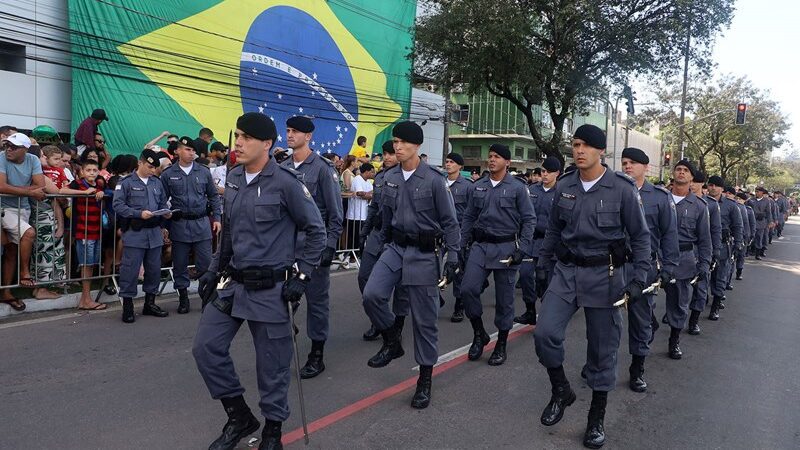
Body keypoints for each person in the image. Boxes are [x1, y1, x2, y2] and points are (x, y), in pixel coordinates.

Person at [192, 112, 325, 449]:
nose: (238, 142)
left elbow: (316, 231)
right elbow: (230, 233)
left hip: (271, 289)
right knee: (206, 348)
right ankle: (239, 416)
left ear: (266, 144)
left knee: (272, 367)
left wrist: (304, 275)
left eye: (246, 137)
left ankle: (272, 431)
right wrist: (211, 269)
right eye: (238, 135)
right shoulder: (235, 178)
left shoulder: (286, 182)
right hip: (233, 284)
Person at [533, 124, 650, 449]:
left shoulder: (623, 189)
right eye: (575, 144)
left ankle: (596, 417)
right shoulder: (566, 185)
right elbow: (555, 230)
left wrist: (640, 277)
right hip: (568, 271)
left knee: (602, 349)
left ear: (600, 151)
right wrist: (543, 265)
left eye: (585, 145)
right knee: (545, 334)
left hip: (606, 275)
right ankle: (561, 390)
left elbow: (640, 237)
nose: (579, 150)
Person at [362, 121, 460, 409]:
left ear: (417, 146)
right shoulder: (390, 176)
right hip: (394, 247)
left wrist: (453, 257)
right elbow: (383, 213)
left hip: (423, 253)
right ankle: (393, 339)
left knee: (424, 321)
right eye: (395, 141)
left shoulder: (433, 179)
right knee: (372, 294)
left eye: (403, 142)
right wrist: (370, 235)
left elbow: (450, 222)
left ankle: (425, 380)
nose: (398, 146)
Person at [459, 144, 536, 366]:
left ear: (507, 162)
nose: (492, 160)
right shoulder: (479, 186)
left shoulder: (518, 188)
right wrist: (461, 244)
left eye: (497, 157)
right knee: (467, 289)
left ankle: (501, 343)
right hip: (480, 246)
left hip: (506, 249)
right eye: (490, 156)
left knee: (504, 300)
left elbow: (529, 219)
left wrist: (523, 248)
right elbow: (468, 217)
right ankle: (479, 334)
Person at [281, 116, 343, 379]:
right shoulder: (281, 167)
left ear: (308, 137)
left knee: (317, 304)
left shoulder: (322, 168)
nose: (290, 135)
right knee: (279, 302)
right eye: (288, 130)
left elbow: (335, 212)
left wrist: (330, 246)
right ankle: (283, 342)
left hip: (312, 247)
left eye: (295, 131)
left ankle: (316, 354)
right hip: (285, 248)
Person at [618, 148, 679, 391]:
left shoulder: (660, 198)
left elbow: (669, 235)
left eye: (633, 163)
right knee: (604, 318)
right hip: (614, 264)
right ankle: (598, 362)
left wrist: (668, 267)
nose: (627, 167)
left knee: (640, 319)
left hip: (643, 266)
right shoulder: (614, 192)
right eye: (624, 163)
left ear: (646, 167)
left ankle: (637, 367)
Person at [161, 136, 221, 314]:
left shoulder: (203, 172)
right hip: (179, 224)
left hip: (201, 223)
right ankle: (183, 298)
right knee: (180, 264)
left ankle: (207, 297)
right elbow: (161, 200)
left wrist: (217, 217)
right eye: (187, 150)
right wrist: (164, 222)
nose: (191, 152)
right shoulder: (168, 174)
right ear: (178, 151)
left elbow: (213, 196)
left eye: (193, 150)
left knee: (206, 263)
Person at [113, 149, 172, 323]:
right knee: (130, 270)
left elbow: (162, 203)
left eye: (155, 168)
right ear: (140, 163)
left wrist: (166, 213)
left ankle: (150, 303)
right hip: (135, 231)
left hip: (154, 232)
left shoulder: (156, 182)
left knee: (153, 270)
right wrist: (138, 214)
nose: (153, 170)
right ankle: (128, 306)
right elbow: (117, 205)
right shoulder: (126, 182)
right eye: (149, 166)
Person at [358, 141, 408, 341]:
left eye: (390, 154)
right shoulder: (379, 177)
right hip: (377, 234)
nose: (387, 157)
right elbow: (373, 207)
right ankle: (379, 318)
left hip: (396, 237)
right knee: (364, 276)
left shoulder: (406, 177)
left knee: (401, 285)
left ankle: (397, 323)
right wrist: (364, 231)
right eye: (385, 153)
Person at [665, 160, 712, 357]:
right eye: (678, 169)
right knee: (643, 300)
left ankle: (674, 339)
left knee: (679, 302)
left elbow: (705, 238)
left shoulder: (699, 206)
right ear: (673, 173)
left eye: (686, 171)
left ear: (692, 178)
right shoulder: (661, 199)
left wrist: (705, 263)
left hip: (684, 259)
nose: (681, 173)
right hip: (657, 257)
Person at [0, 132, 47, 311]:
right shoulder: (1, 157)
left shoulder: (33, 159)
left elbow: (40, 186)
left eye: (13, 147)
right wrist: (29, 191)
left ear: (25, 149)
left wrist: (15, 190)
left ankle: (6, 292)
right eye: (7, 145)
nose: (8, 149)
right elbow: (1, 186)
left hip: (23, 209)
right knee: (29, 233)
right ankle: (24, 272)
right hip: (4, 208)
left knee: (12, 250)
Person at [516, 156, 560, 326]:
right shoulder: (532, 190)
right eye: (543, 171)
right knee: (526, 275)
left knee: (547, 282)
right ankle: (530, 310)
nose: (545, 174)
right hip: (531, 242)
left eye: (549, 171)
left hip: (550, 245)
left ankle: (547, 315)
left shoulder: (561, 192)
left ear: (557, 173)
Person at [60, 159, 109, 310]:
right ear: (82, 171)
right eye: (88, 170)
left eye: (95, 170)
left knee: (91, 264)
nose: (92, 173)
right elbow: (62, 191)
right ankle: (86, 299)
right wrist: (84, 192)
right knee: (85, 264)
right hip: (83, 231)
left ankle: (85, 299)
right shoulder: (78, 183)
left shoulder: (100, 185)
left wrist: (101, 193)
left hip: (96, 230)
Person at [31, 145, 68, 300]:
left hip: (40, 217)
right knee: (45, 252)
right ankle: (41, 289)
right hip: (44, 219)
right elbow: (57, 195)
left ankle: (42, 287)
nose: (45, 158)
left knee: (44, 252)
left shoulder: (33, 174)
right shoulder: (39, 176)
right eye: (42, 155)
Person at [686, 172, 720, 334]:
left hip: (701, 251)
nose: (691, 184)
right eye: (690, 181)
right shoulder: (676, 200)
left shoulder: (710, 205)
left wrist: (714, 254)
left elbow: (714, 232)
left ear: (701, 184)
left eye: (695, 182)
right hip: (683, 251)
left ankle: (694, 320)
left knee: (700, 286)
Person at [706, 176, 742, 319]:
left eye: (716, 186)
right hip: (704, 245)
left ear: (722, 189)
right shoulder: (702, 202)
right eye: (711, 185)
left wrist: (738, 244)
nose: (713, 188)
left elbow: (737, 226)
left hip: (722, 245)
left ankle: (715, 306)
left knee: (719, 276)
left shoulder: (731, 205)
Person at [443, 152, 472, 322]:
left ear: (460, 166)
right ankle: (434, 299)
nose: (448, 165)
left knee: (458, 268)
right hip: (439, 232)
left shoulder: (468, 186)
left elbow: (471, 213)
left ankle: (459, 305)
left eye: (452, 162)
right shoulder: (439, 182)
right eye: (446, 161)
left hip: (459, 232)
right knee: (431, 266)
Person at [346, 163, 375, 255]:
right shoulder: (358, 179)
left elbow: (373, 194)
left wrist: (368, 194)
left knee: (361, 237)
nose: (373, 174)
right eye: (372, 172)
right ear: (366, 172)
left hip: (364, 215)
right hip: (355, 215)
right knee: (354, 238)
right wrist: (368, 194)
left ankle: (358, 256)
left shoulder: (368, 182)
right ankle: (350, 257)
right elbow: (361, 194)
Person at [730, 189, 751, 283]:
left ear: (744, 200)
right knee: (731, 258)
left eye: (740, 199)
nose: (738, 200)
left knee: (741, 256)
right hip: (732, 237)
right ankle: (727, 280)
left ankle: (739, 272)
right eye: (737, 198)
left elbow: (750, 224)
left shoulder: (748, 210)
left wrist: (750, 236)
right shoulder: (732, 208)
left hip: (743, 236)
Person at [748, 187, 770, 259]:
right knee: (750, 236)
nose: (756, 193)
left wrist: (769, 221)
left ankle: (757, 254)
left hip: (761, 222)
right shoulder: (751, 200)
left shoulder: (766, 201)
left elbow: (768, 212)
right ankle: (748, 251)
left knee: (759, 237)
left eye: (758, 191)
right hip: (751, 221)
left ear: (762, 193)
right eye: (755, 191)